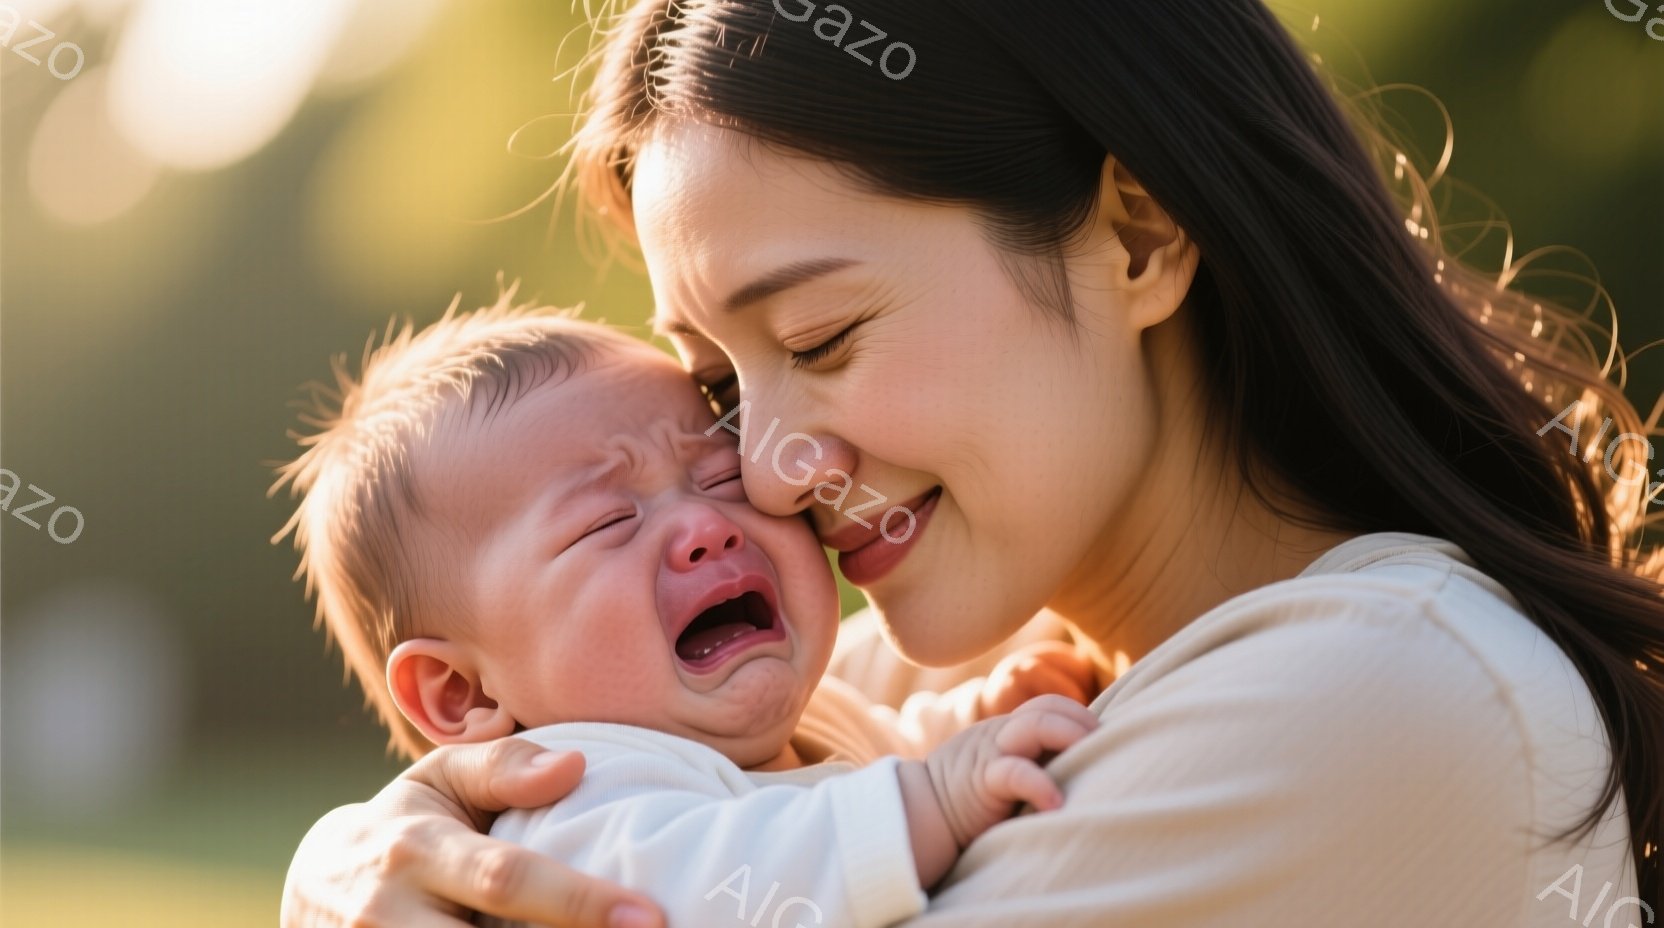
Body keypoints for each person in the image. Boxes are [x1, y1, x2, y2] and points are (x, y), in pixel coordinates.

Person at [283, 1, 1664, 925]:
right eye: (716, 384)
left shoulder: (1384, 694)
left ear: (1135, 236)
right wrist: (361, 862)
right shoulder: (905, 679)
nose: (762, 473)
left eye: (819, 336)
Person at [273, 302, 1100, 928]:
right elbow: (727, 883)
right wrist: (944, 799)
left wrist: (977, 718)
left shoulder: (798, 720)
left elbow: (874, 753)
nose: (706, 528)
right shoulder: (566, 800)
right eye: (606, 522)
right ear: (459, 692)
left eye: (721, 476)